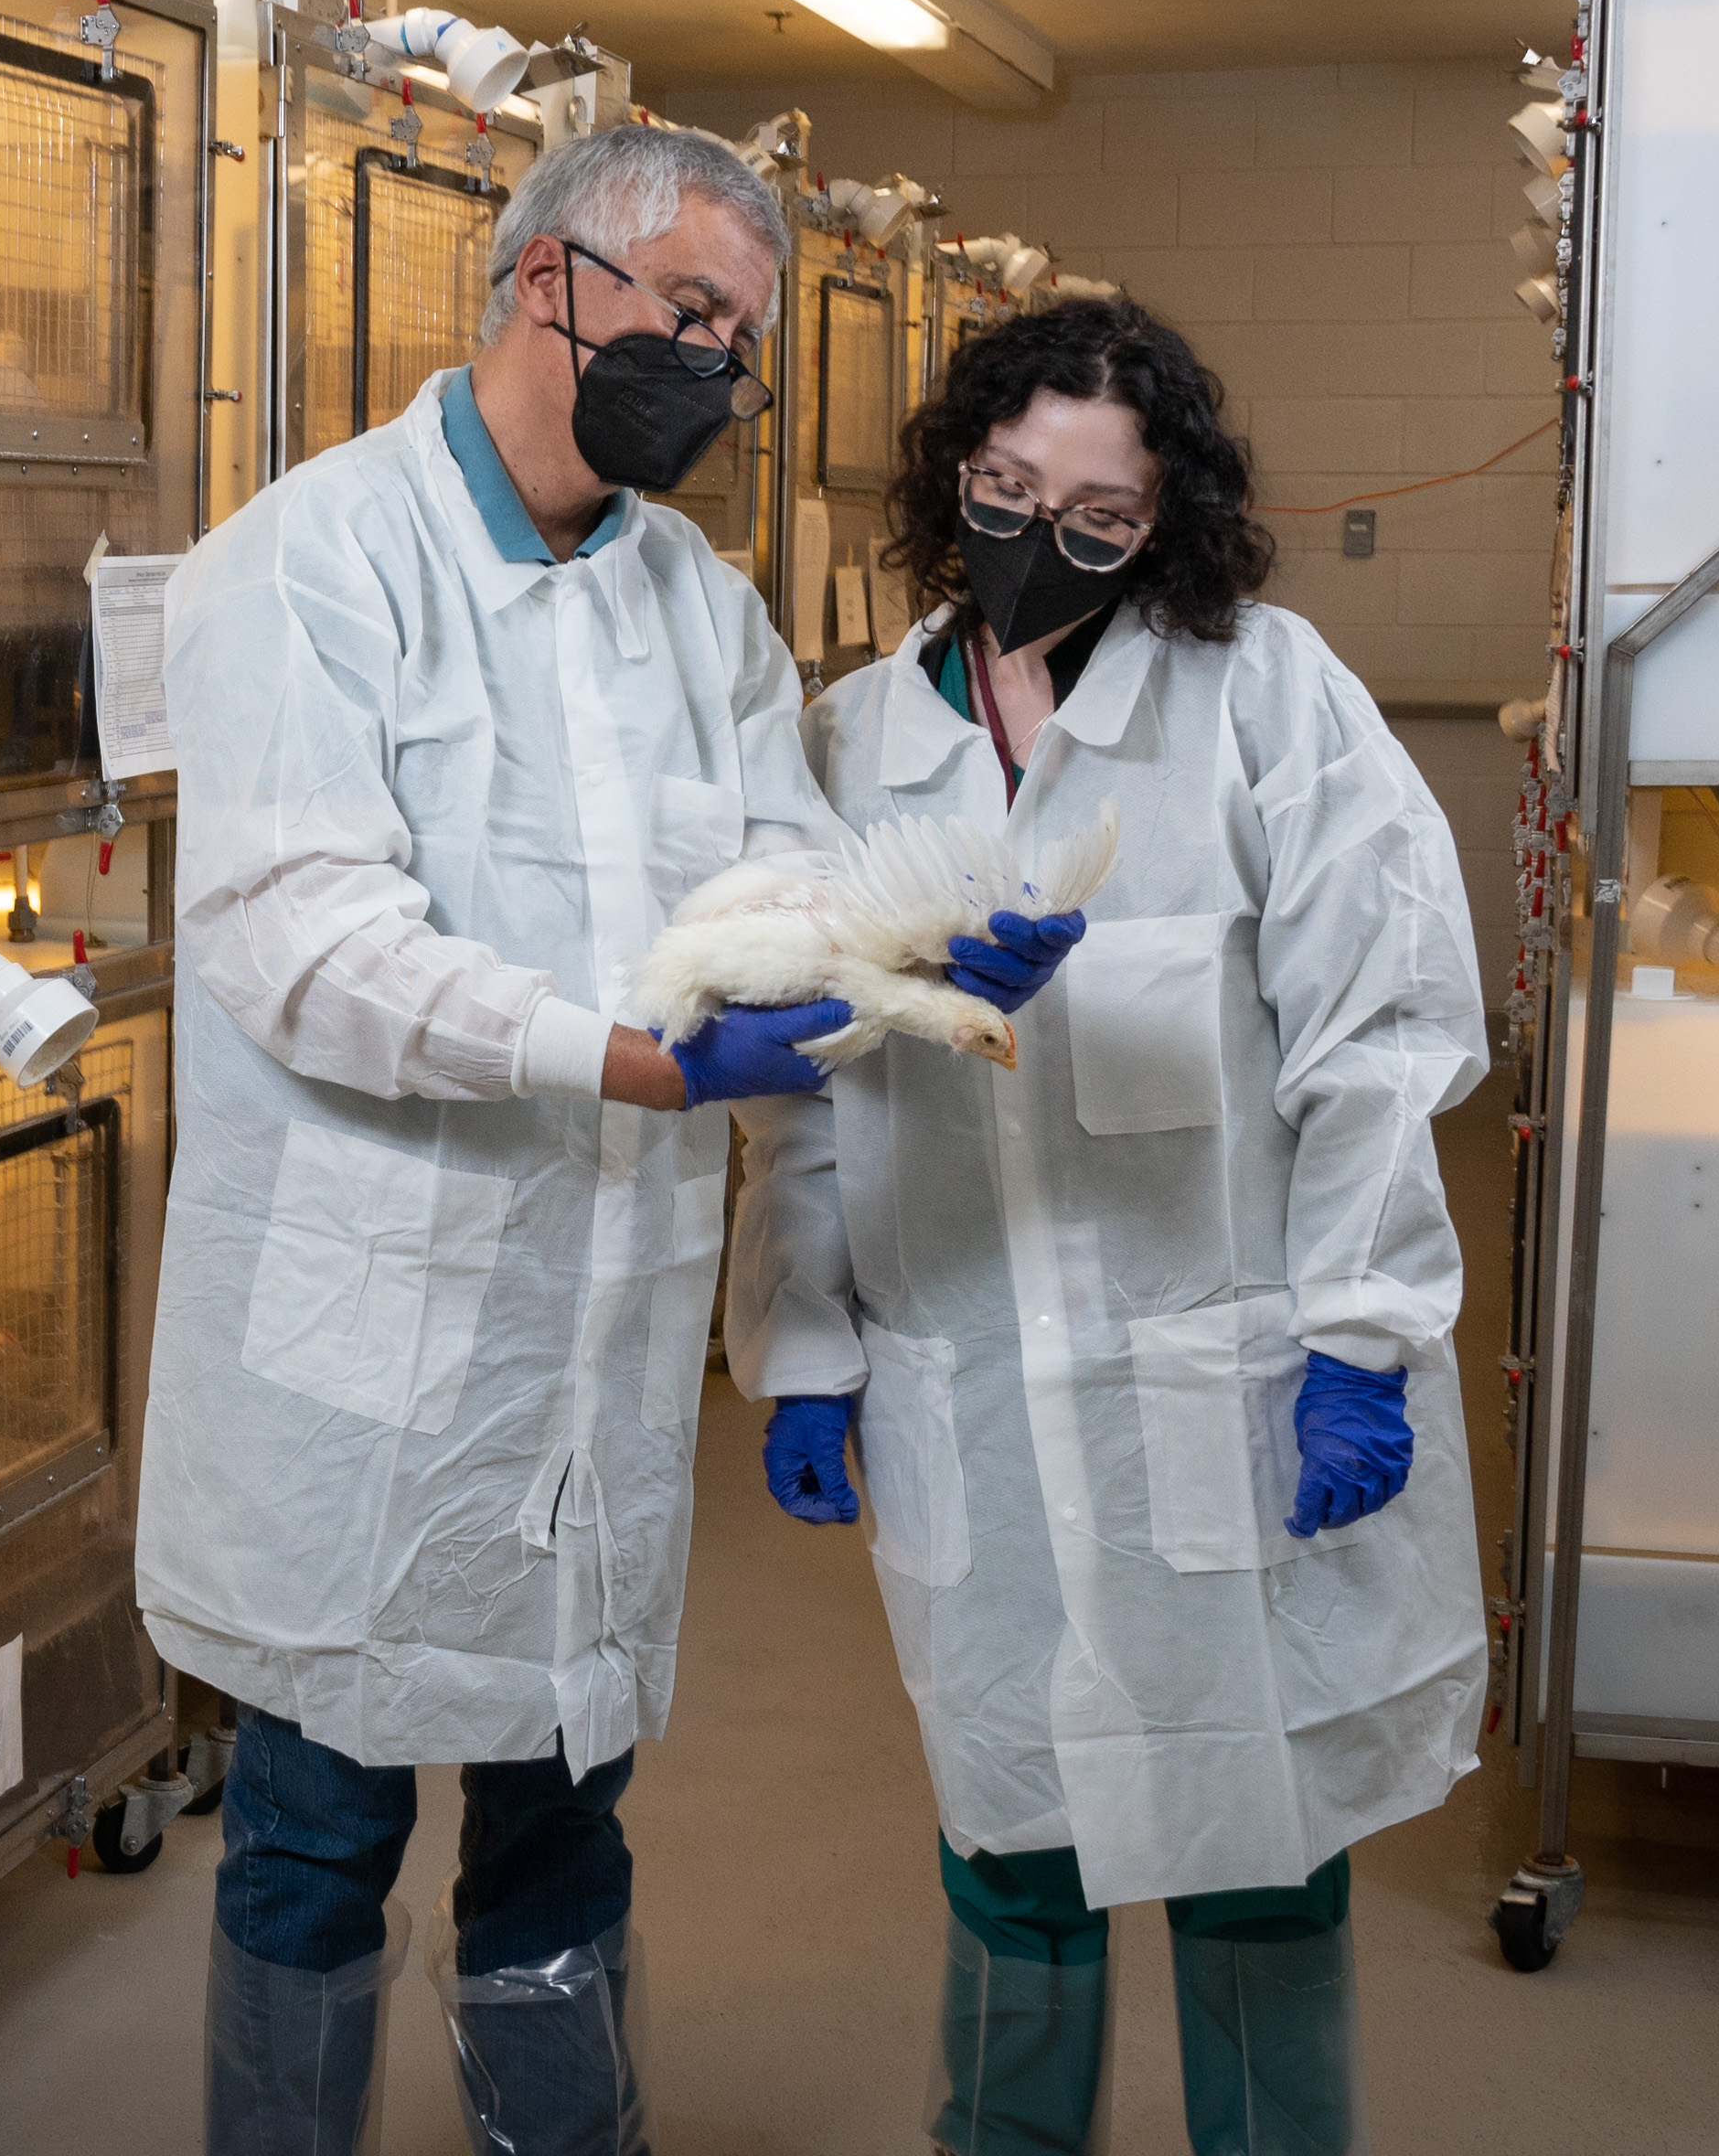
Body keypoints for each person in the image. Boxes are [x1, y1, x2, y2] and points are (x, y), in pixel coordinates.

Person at [138, 123, 1077, 2156]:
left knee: (564, 1813)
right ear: (547, 277)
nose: (721, 371)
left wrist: (898, 939)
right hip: (366, 1351)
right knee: (318, 1824)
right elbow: (307, 944)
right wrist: (615, 1057)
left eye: (743, 341)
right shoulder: (316, 559)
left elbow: (773, 861)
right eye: (693, 316)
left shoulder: (694, 603)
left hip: (589, 1337)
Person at [726, 299, 1487, 2156]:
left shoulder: (1263, 698)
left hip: (1221, 1381)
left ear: (1168, 523)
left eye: (1095, 515)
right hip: (967, 1386)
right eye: (1004, 488)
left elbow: (1380, 1035)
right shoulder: (849, 743)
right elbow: (810, 1089)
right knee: (1014, 1840)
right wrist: (808, 1355)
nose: (1036, 537)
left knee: (1255, 1850)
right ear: (950, 477)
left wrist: (1359, 1339)